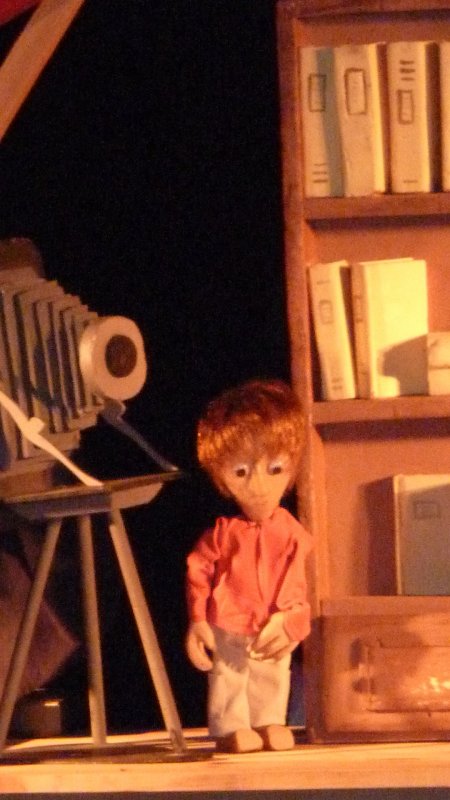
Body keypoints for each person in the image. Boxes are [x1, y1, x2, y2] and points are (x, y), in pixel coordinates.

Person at [185, 378, 313, 753]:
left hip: (272, 622)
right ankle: (231, 726)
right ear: (221, 476)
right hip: (228, 621)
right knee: (230, 675)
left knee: (273, 671)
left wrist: (292, 619)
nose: (258, 485)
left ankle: (269, 720)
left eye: (275, 468)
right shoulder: (223, 533)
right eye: (241, 472)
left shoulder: (292, 532)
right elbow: (198, 570)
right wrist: (198, 619)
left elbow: (298, 580)